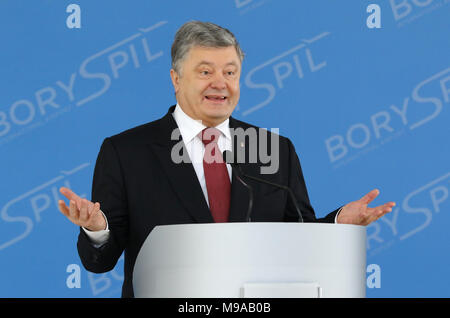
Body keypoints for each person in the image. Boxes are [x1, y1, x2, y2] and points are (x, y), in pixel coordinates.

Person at [58, 21, 396, 298]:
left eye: (231, 73)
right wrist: (97, 229)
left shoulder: (273, 149)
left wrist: (338, 225)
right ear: (176, 79)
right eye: (205, 72)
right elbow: (99, 262)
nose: (221, 83)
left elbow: (298, 238)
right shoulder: (126, 151)